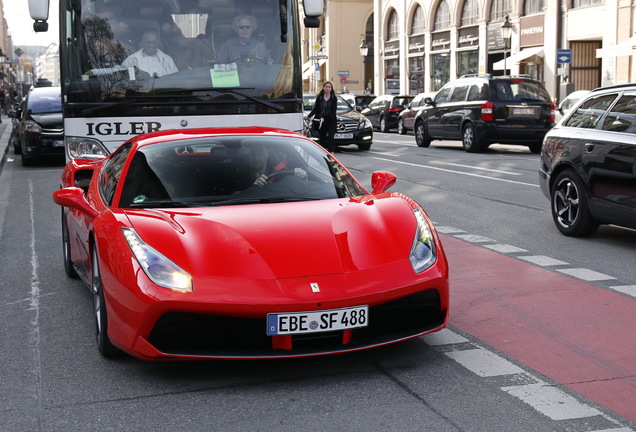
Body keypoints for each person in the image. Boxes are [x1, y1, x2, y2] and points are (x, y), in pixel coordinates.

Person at [307, 81, 338, 153]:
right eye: (326, 87)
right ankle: (323, 154)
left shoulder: (333, 98)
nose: (327, 88)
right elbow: (315, 109)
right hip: (321, 121)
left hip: (331, 121)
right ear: (323, 88)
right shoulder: (320, 98)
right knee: (322, 139)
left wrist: (324, 117)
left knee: (331, 138)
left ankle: (332, 155)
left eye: (329, 87)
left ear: (331, 89)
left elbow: (333, 112)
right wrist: (308, 116)